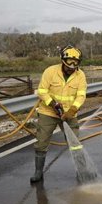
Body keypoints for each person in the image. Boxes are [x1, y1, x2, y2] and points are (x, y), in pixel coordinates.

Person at [31, 46, 87, 184]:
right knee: (41, 142)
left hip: (68, 114)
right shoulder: (50, 71)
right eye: (69, 63)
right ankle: (38, 172)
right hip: (48, 112)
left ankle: (82, 171)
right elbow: (42, 91)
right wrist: (52, 104)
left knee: (75, 143)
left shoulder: (81, 75)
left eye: (75, 63)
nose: (72, 66)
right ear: (63, 60)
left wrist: (73, 109)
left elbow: (81, 95)